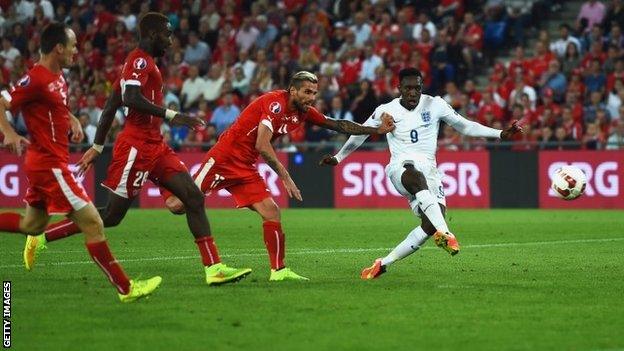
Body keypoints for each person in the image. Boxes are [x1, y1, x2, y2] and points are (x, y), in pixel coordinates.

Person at [25, 13, 252, 286]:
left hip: (155, 146)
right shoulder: (140, 60)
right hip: (135, 147)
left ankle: (213, 268)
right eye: (167, 35)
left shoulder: (142, 64)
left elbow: (111, 106)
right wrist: (172, 115)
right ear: (154, 34)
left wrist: (97, 146)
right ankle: (41, 237)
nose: (170, 41)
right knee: (111, 215)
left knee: (193, 197)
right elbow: (130, 98)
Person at [164, 71, 395, 281]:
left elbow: (338, 125)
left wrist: (376, 131)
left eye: (314, 93)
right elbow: (262, 144)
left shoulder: (302, 112)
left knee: (271, 211)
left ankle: (278, 270)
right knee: (177, 205)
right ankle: (161, 174)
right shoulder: (276, 104)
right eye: (307, 92)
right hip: (223, 159)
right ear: (292, 90)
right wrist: (285, 177)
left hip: (245, 165)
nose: (311, 97)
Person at [0, 22, 161, 302]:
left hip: (45, 163)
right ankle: (126, 288)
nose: (77, 51)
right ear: (58, 48)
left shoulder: (58, 76)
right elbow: (1, 103)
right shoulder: (35, 79)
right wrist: (9, 132)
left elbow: (57, 105)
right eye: (73, 46)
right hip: (50, 165)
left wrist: (72, 119)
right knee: (94, 222)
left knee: (32, 226)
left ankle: (125, 288)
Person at [319, 68, 522, 280]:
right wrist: (339, 157)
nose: (413, 93)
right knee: (413, 174)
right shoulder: (385, 110)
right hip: (401, 167)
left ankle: (383, 263)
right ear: (399, 88)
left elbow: (465, 126)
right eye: (408, 88)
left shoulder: (435, 104)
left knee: (429, 224)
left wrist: (499, 133)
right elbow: (359, 134)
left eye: (417, 88)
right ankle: (446, 233)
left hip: (430, 170)